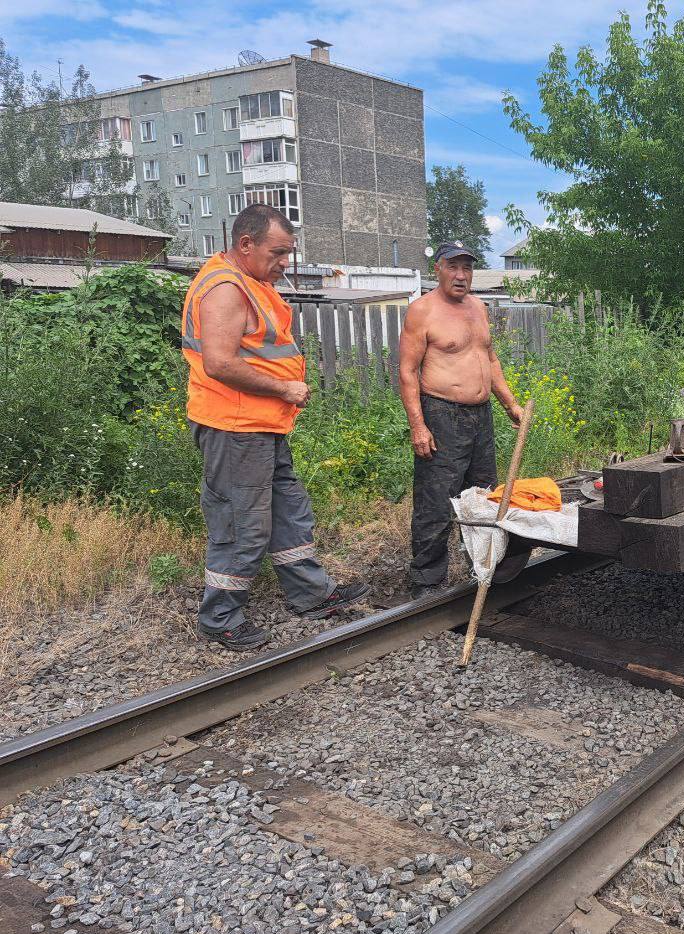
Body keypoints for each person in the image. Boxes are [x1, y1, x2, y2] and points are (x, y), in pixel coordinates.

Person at [182, 205, 370, 650]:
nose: (285, 262)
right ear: (246, 244)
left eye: (289, 252)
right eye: (279, 252)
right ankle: (220, 616)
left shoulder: (250, 281)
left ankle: (311, 594)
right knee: (241, 523)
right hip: (235, 426)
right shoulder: (226, 289)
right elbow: (220, 363)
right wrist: (285, 389)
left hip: (260, 425)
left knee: (288, 511)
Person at [399, 241, 524, 599]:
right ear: (436, 269)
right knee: (437, 500)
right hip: (441, 414)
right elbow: (408, 371)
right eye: (453, 267)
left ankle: (484, 569)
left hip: (480, 416)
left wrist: (509, 404)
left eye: (467, 268)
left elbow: (490, 359)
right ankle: (426, 581)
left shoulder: (479, 308)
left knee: (484, 496)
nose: (461, 275)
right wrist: (418, 426)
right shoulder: (422, 311)